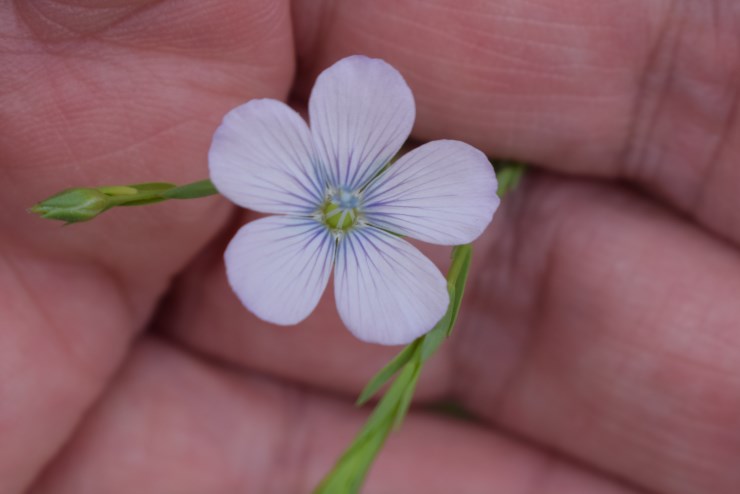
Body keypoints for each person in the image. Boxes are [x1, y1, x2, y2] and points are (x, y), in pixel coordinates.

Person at [1, 1, 737, 493]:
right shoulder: (289, 183)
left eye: (343, 208)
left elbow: (464, 194)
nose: (341, 208)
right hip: (302, 209)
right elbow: (256, 157)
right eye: (338, 207)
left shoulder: (407, 201)